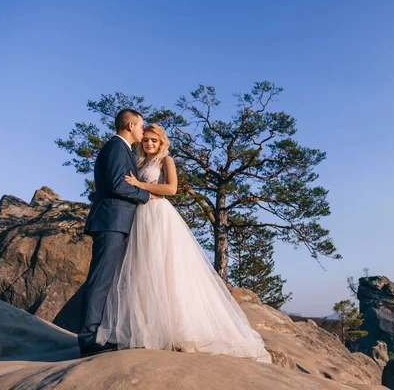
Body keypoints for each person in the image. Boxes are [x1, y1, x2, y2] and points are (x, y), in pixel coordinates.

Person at [96, 123, 271, 363]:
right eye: (146, 140)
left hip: (158, 216)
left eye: (153, 141)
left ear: (161, 142)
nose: (148, 144)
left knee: (166, 269)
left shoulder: (165, 161)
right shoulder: (136, 161)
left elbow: (172, 188)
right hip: (140, 217)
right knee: (142, 272)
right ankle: (146, 329)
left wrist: (140, 185)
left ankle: (178, 331)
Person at [79, 109, 155, 357]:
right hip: (111, 222)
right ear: (130, 124)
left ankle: (99, 334)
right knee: (100, 280)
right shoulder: (115, 147)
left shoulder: (123, 150)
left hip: (117, 222)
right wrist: (146, 195)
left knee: (108, 281)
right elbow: (115, 184)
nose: (143, 131)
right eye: (141, 126)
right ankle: (89, 339)